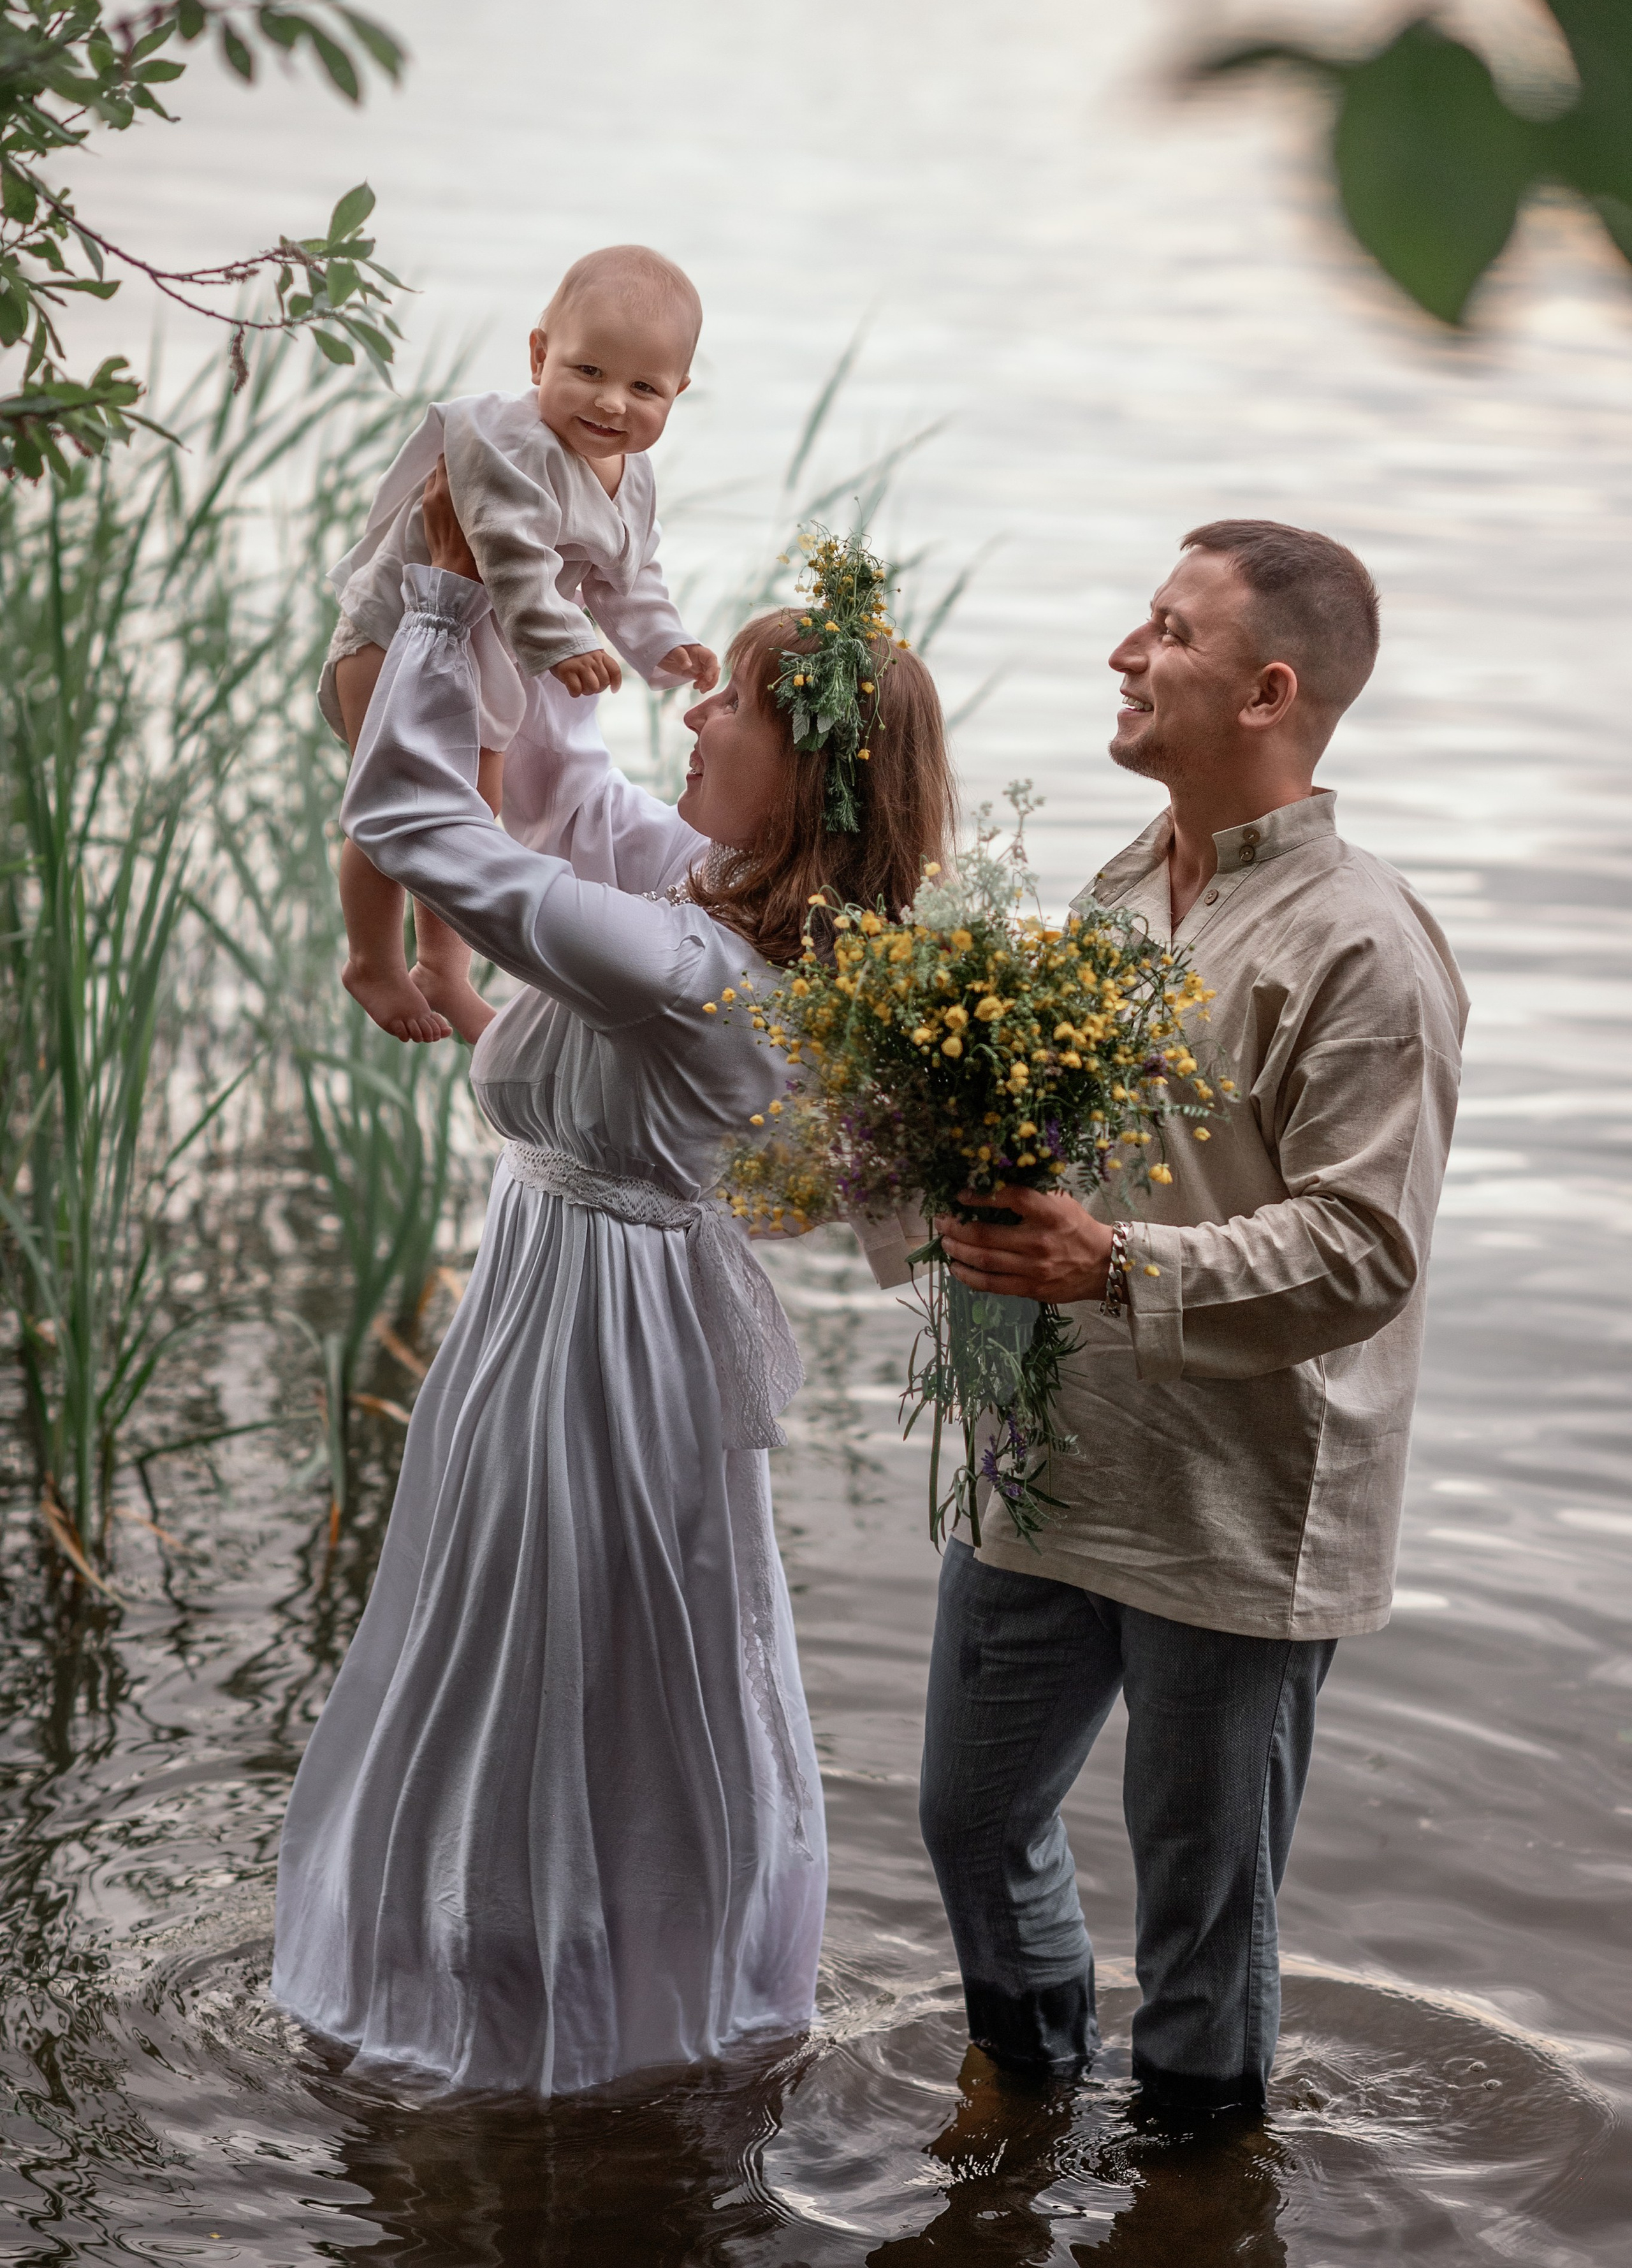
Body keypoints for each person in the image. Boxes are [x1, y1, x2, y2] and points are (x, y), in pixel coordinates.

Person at [272, 464, 958, 2099]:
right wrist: (541, 603)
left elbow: (425, 827)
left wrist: (439, 611)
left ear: (808, 781)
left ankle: (546, 2003)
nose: (695, 708)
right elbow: (568, 793)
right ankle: (595, 1979)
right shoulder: (720, 904)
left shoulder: (687, 964)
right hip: (574, 1304)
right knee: (567, 1641)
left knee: (560, 1650)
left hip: (594, 1331)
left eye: (730, 695)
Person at [921, 519, 1468, 2116]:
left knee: (1201, 1916)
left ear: (1264, 690)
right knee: (968, 1817)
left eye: (1164, 628)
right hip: (1048, 1461)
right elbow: (1076, 1162)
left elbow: (1365, 1249)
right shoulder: (1110, 888)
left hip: (1238, 1502)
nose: (1122, 651)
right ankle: (1016, 2097)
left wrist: (1113, 1267)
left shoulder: (1363, 943)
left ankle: (1194, 2181)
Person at [319, 244, 719, 1046]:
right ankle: (372, 959)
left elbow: (628, 576)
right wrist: (562, 639)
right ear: (539, 355)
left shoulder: (627, 475)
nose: (611, 403)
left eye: (643, 387)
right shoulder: (510, 442)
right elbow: (509, 552)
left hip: (486, 653)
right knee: (393, 797)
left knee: (472, 814)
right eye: (588, 371)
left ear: (678, 392)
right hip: (396, 633)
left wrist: (664, 645)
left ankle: (444, 966)